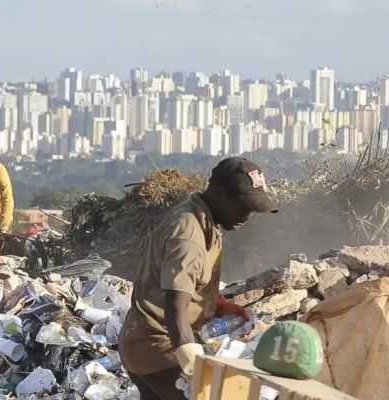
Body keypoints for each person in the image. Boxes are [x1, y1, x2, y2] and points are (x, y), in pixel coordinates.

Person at [118, 157, 278, 400]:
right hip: (159, 349)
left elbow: (188, 283)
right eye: (243, 206)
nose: (247, 216)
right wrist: (193, 368)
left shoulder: (203, 216)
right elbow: (174, 308)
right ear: (220, 194)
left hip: (141, 344)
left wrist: (222, 306)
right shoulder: (189, 234)